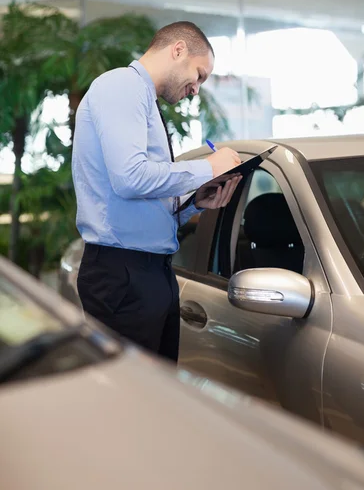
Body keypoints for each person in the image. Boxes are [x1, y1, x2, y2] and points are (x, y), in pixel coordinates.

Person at [72, 21, 241, 363]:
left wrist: (194, 203)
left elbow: (140, 197)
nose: (196, 89)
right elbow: (131, 178)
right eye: (200, 74)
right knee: (132, 404)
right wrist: (210, 166)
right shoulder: (121, 86)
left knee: (157, 399)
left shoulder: (142, 98)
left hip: (150, 273)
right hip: (123, 275)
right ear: (178, 50)